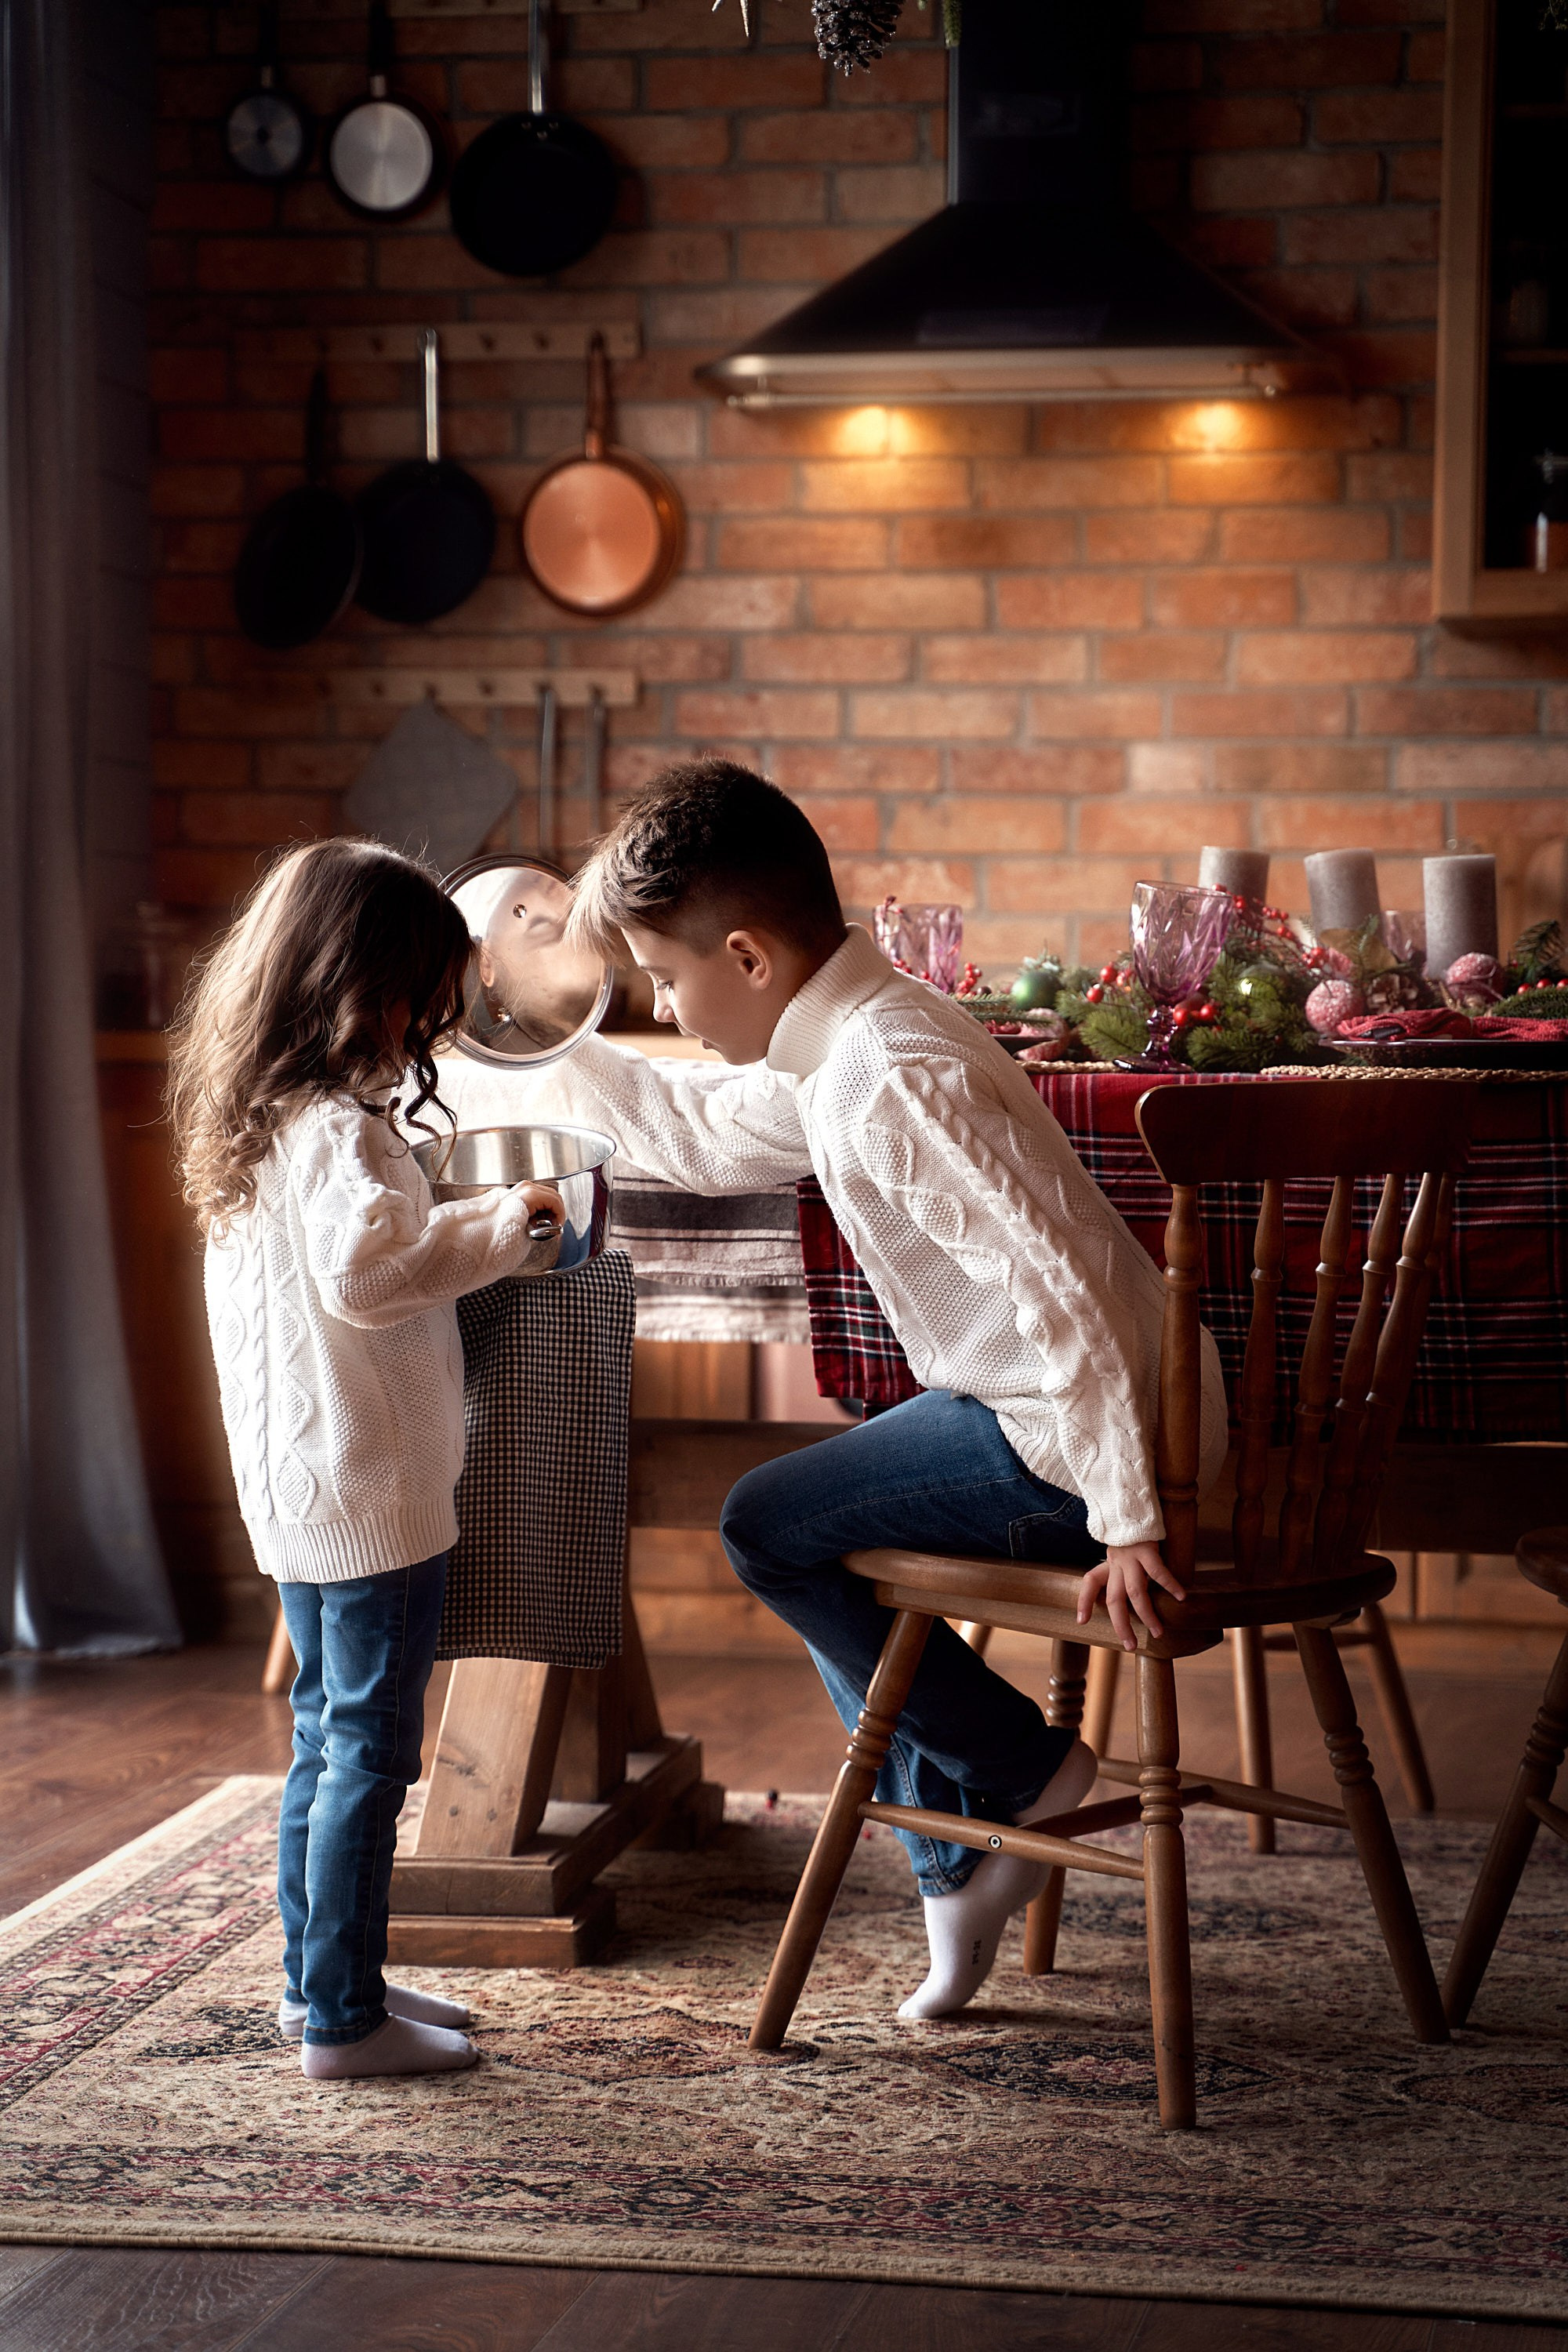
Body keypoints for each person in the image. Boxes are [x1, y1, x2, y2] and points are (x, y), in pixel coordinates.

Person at [441, 760, 1230, 2023]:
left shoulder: (889, 1075)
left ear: (747, 960)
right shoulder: (855, 1037)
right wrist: (535, 1043)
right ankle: (955, 1861)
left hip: (1079, 1443)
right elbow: (700, 1134)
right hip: (1033, 1408)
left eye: (664, 977)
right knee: (819, 1520)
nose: (661, 1004)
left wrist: (1132, 1515)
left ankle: (1026, 1771)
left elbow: (1061, 1297)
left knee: (768, 1524)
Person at [167, 839, 564, 2081]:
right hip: (374, 1493)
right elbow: (368, 1275)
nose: (424, 1024)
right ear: (359, 984)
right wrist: (508, 1225)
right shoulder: (336, 1127)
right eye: (417, 997)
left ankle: (320, 1984)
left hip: (301, 1490)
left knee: (322, 1740)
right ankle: (343, 2021)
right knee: (373, 1754)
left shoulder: (263, 1115)